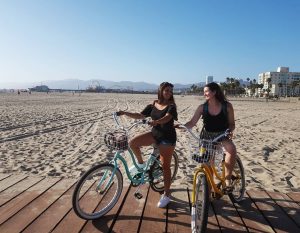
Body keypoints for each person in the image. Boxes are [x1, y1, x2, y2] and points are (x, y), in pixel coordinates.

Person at [117, 82, 177, 208]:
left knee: (165, 166)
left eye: (171, 91)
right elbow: (140, 115)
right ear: (161, 91)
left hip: (167, 138)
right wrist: (125, 113)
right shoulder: (154, 104)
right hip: (155, 134)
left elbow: (167, 118)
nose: (169, 93)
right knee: (133, 143)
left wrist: (156, 122)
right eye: (167, 90)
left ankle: (166, 195)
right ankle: (141, 164)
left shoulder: (172, 106)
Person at [184, 82, 236, 193]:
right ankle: (210, 188)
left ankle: (227, 180)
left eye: (206, 91)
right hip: (207, 137)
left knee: (231, 149)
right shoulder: (202, 108)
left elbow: (232, 124)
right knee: (208, 163)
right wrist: (182, 126)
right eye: (204, 92)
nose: (205, 94)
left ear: (214, 92)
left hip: (222, 135)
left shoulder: (227, 106)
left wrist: (229, 131)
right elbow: (192, 122)